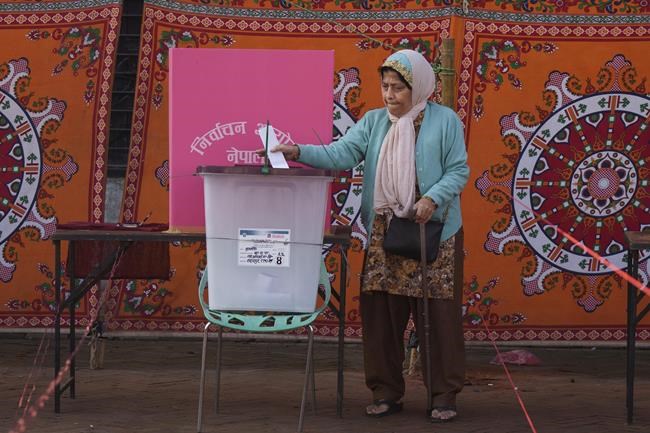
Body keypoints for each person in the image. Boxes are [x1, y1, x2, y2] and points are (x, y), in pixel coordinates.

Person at [264, 49, 469, 423]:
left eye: (398, 88)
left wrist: (432, 198)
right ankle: (386, 392)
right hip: (385, 232)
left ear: (418, 87)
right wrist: (297, 151)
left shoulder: (445, 121)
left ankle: (443, 395)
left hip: (434, 232)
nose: (389, 95)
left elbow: (458, 171)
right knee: (381, 317)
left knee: (437, 318)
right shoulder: (375, 122)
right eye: (385, 86)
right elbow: (341, 154)